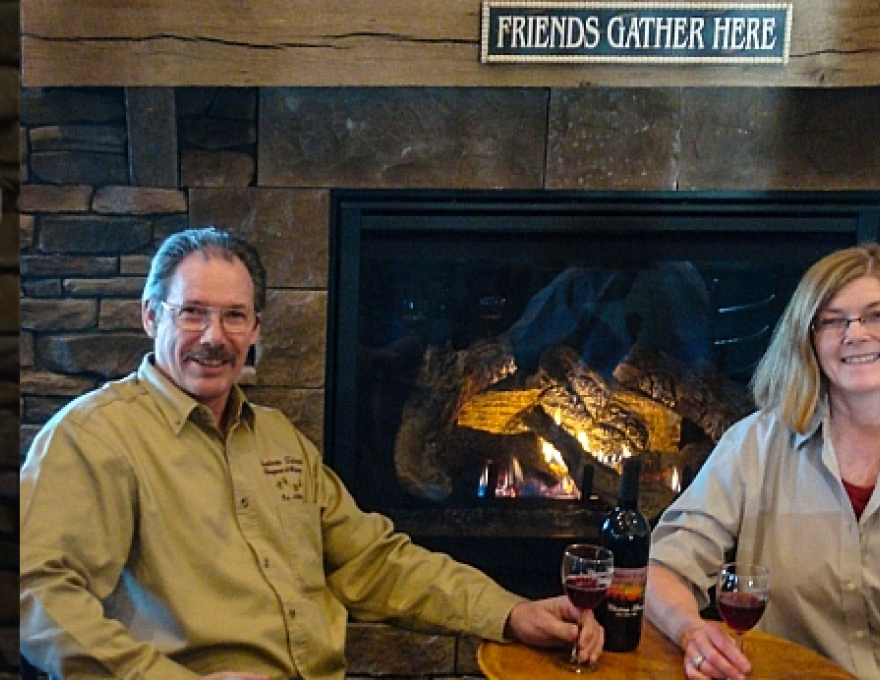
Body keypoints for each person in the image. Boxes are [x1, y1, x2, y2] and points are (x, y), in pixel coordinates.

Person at [19, 227, 604, 680]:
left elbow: (372, 561)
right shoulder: (94, 438)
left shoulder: (277, 439)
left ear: (255, 330)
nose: (214, 337)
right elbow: (36, 592)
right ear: (151, 316)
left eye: (234, 316)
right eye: (192, 312)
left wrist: (509, 613)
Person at [646, 242, 880, 680]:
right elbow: (665, 567)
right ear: (808, 340)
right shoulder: (756, 443)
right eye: (832, 321)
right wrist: (691, 631)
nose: (856, 334)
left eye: (875, 315)